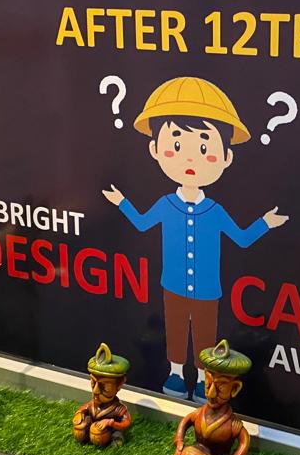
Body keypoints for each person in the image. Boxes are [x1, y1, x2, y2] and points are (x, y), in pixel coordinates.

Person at [102, 76, 289, 401]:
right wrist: (122, 203)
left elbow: (242, 238)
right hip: (173, 284)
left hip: (207, 289)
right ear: (155, 149)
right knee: (175, 329)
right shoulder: (166, 204)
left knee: (204, 334)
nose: (190, 159)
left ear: (227, 157)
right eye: (176, 146)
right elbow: (143, 224)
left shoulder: (215, 210)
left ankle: (203, 379)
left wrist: (265, 223)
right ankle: (176, 374)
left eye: (204, 148)